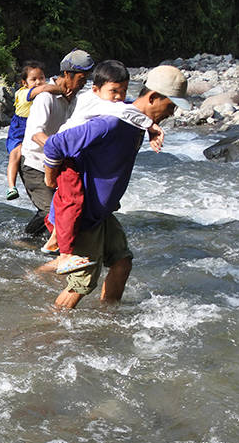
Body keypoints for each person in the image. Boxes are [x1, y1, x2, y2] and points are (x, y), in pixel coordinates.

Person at [42, 65, 189, 309]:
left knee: (122, 262)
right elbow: (55, 145)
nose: (172, 113)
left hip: (101, 213)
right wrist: (50, 180)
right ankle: (46, 333)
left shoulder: (136, 120)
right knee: (81, 284)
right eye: (171, 106)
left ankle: (108, 320)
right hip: (83, 214)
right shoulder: (109, 124)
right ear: (153, 97)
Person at [42, 59, 166, 267]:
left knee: (70, 204)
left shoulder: (108, 103)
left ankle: (54, 243)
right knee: (72, 202)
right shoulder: (100, 106)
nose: (119, 97)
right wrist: (151, 126)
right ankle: (64, 255)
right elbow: (126, 112)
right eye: (114, 91)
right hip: (68, 158)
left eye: (124, 91)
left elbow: (128, 109)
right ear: (96, 89)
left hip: (72, 156)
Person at [19, 49, 94, 236]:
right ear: (67, 74)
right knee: (48, 211)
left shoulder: (73, 98)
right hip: (34, 163)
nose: (83, 84)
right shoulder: (46, 97)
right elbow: (37, 134)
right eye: (81, 79)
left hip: (55, 163)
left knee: (69, 209)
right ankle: (26, 240)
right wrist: (60, 150)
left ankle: (53, 244)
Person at [5, 61, 50, 201]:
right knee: (16, 154)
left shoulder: (43, 97)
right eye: (34, 79)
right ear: (24, 83)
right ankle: (11, 187)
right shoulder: (23, 93)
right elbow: (40, 90)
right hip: (19, 128)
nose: (38, 82)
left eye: (41, 78)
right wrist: (60, 88)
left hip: (32, 127)